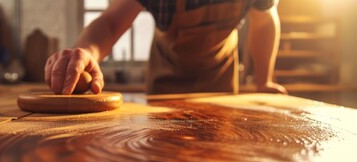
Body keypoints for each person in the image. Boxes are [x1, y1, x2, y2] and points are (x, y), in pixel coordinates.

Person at [44, 0, 288, 95]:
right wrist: (87, 51)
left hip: (220, 77)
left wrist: (263, 81)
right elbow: (111, 22)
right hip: (167, 79)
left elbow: (264, 20)